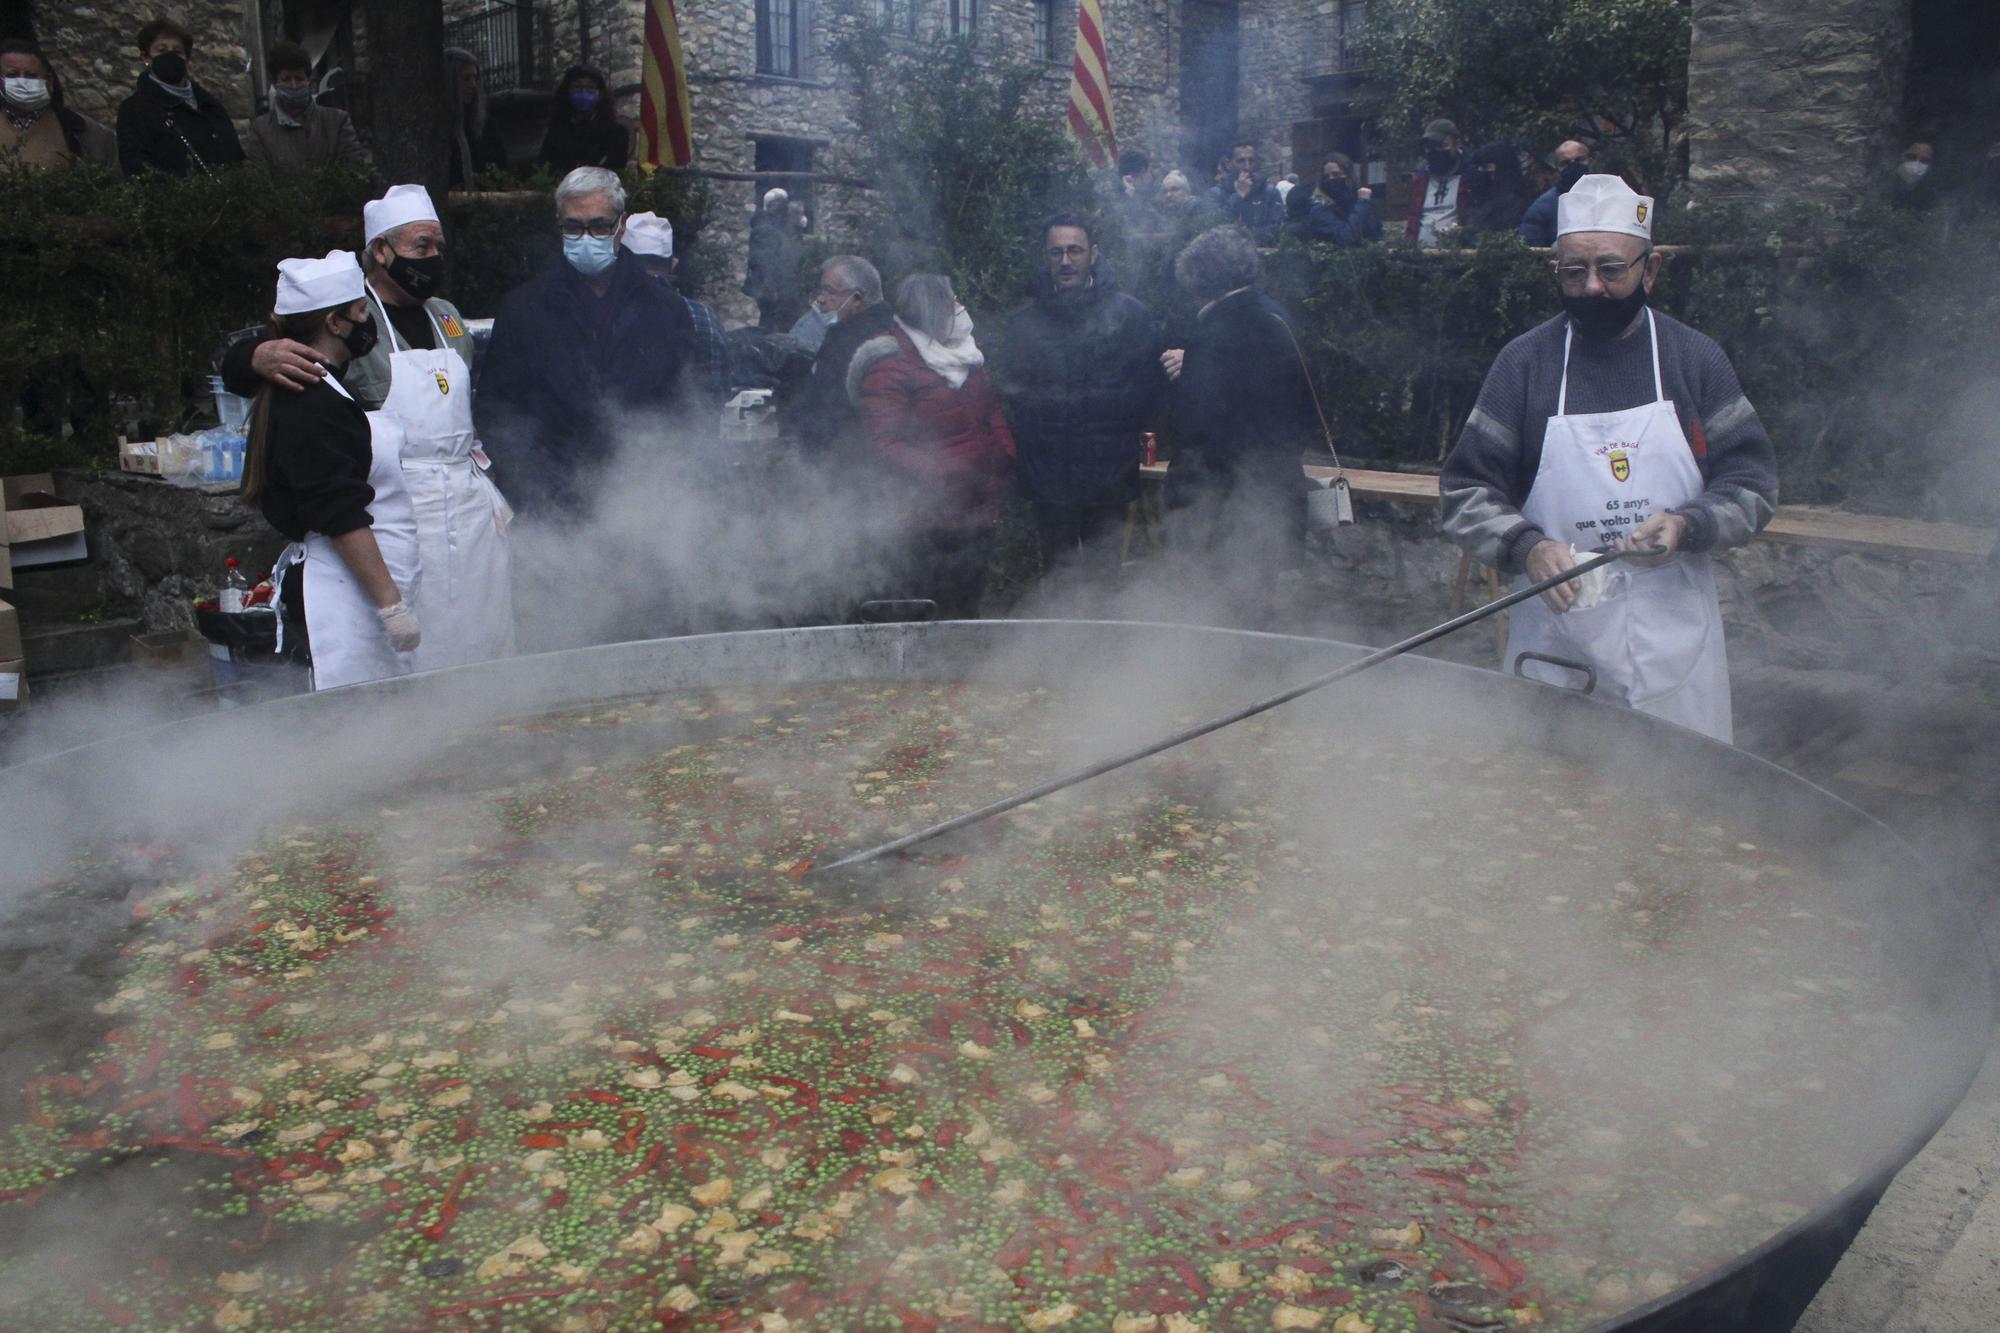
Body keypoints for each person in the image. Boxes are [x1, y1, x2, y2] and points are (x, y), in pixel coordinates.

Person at [1439, 175, 1779, 744]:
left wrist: (1685, 523)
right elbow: (1464, 492)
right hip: (1556, 649)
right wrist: (1528, 547)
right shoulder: (1523, 364)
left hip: (1677, 648)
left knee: (1679, 808)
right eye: (1574, 271)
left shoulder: (1694, 359)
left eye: (1610, 269)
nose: (1591, 286)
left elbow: (1752, 484)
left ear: (1651, 268)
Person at [227, 184, 512, 673]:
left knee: (484, 635)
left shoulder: (448, 317)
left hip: (465, 503)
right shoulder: (344, 308)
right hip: (395, 504)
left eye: (439, 246)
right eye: (421, 247)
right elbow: (271, 351)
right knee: (418, 652)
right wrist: (253, 356)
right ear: (380, 251)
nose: (434, 257)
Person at [239, 250, 421, 691]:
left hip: (363, 582)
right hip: (340, 590)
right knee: (352, 721)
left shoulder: (329, 384)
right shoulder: (311, 402)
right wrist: (391, 606)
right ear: (334, 323)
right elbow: (339, 514)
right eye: (360, 311)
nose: (367, 320)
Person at [475, 166, 697, 520]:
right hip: (551, 506)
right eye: (573, 228)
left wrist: (678, 490)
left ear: (621, 226)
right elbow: (496, 410)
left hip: (648, 503)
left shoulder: (665, 309)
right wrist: (526, 488)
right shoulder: (525, 308)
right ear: (558, 226)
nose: (585, 237)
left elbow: (689, 407)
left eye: (598, 226)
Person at [996, 213, 1167, 603]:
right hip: (1048, 477)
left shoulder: (1129, 316)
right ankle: (1060, 655)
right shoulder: (1024, 324)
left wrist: (1122, 438)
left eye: (1074, 250)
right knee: (1057, 579)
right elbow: (1013, 394)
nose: (1066, 260)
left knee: (1105, 579)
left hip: (1108, 473)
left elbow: (1150, 390)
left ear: (1093, 254)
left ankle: (1102, 659)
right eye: (1056, 252)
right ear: (1045, 258)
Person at [849, 274, 1016, 619]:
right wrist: (948, 476)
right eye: (953, 300)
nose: (960, 308)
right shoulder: (889, 363)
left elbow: (991, 410)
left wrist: (1002, 452)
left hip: (977, 511)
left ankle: (964, 673)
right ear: (933, 308)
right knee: (926, 612)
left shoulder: (965, 354)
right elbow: (884, 444)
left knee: (966, 609)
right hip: (922, 521)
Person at [1160, 226, 1316, 579]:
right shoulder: (1277, 318)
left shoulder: (1214, 336)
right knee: (1264, 618)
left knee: (1219, 621)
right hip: (1277, 499)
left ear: (1201, 281)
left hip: (1225, 511)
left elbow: (1200, 434)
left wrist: (1180, 505)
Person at [624, 210, 733, 406]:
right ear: (673, 263)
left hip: (631, 432)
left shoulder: (612, 314)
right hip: (695, 432)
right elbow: (721, 386)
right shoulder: (705, 316)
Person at [116, 18, 243, 178]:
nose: (170, 56)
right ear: (146, 58)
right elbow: (137, 168)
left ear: (187, 59)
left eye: (177, 52)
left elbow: (236, 158)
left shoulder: (210, 106)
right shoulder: (134, 110)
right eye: (161, 50)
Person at [797, 255, 895, 457]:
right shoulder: (895, 327)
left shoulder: (842, 341)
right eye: (821, 290)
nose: (821, 298)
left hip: (844, 461)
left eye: (829, 291)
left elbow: (825, 410)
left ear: (857, 299)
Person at [242, 40, 367, 179]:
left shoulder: (337, 122)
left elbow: (353, 171)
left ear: (309, 80)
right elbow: (256, 180)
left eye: (299, 78)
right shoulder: (260, 130)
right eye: (286, 79)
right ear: (275, 83)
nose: (294, 85)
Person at [0, 40, 116, 168]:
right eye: (12, 75)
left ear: (49, 81)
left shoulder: (84, 131)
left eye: (31, 75)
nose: (22, 82)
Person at [536, 66, 629, 177]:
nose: (583, 93)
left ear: (600, 94)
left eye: (591, 88)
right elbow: (543, 168)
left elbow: (614, 171)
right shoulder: (557, 130)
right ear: (567, 92)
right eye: (577, 87)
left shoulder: (616, 133)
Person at [446, 47, 510, 189]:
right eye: (466, 78)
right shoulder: (439, 128)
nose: (473, 85)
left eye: (475, 78)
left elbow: (501, 169)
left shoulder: (484, 124)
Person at [745, 187, 806, 330]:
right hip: (771, 289)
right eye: (780, 203)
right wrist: (770, 289)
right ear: (772, 205)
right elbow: (764, 261)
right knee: (771, 325)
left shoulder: (773, 226)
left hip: (775, 287)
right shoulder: (766, 229)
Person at [1207, 139, 1284, 243]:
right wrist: (1238, 196)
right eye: (1241, 161)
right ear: (1228, 164)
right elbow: (1214, 227)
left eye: (1251, 160)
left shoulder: (1270, 192)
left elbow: (1277, 228)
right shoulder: (1215, 194)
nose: (1247, 166)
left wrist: (1246, 239)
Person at [1518, 140, 1592, 245]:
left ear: (1590, 161)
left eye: (1579, 160)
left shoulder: (1610, 196)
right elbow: (1529, 248)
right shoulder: (1542, 207)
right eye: (1565, 164)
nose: (1573, 166)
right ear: (1556, 168)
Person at [1405, 118, 1466, 245]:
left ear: (1458, 143)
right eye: (1429, 147)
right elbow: (1413, 217)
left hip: (1459, 256)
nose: (1435, 152)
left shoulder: (1471, 176)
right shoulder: (1420, 178)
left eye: (1442, 145)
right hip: (1420, 256)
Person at [1305, 151, 1381, 245]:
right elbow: (1346, 238)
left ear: (1349, 176)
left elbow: (1376, 235)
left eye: (1336, 174)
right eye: (1326, 176)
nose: (1331, 179)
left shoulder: (1360, 204)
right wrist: (1362, 203)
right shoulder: (1320, 209)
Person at [1460, 141, 1531, 237]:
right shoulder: (1477, 196)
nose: (1480, 172)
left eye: (1485, 167)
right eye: (1479, 167)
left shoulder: (1515, 203)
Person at [1890, 141, 1938, 213]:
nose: (1916, 164)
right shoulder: (1879, 188)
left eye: (1924, 160)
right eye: (1912, 157)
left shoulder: (1932, 202)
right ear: (1901, 156)